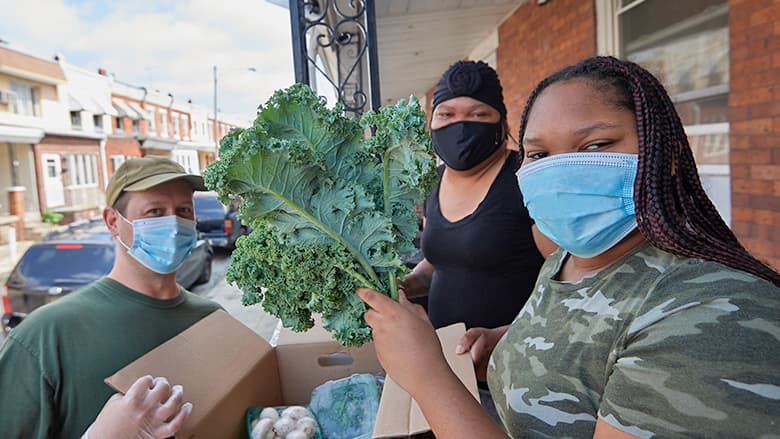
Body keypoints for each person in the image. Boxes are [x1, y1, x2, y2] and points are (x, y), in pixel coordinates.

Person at [358, 56, 780, 438]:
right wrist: (507, 345)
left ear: (661, 154)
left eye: (596, 145)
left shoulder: (712, 316)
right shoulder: (567, 260)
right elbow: (585, 335)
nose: (561, 172)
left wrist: (427, 376)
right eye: (540, 154)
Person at [0, 156, 222, 438]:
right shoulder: (45, 336)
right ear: (113, 221)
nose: (175, 224)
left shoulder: (212, 319)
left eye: (183, 210)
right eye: (155, 211)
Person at [402, 60, 551, 332]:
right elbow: (441, 264)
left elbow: (567, 280)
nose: (460, 126)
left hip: (514, 361)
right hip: (448, 359)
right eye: (446, 115)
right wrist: (408, 284)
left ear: (501, 122)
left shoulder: (528, 178)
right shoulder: (433, 181)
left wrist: (503, 337)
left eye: (478, 115)